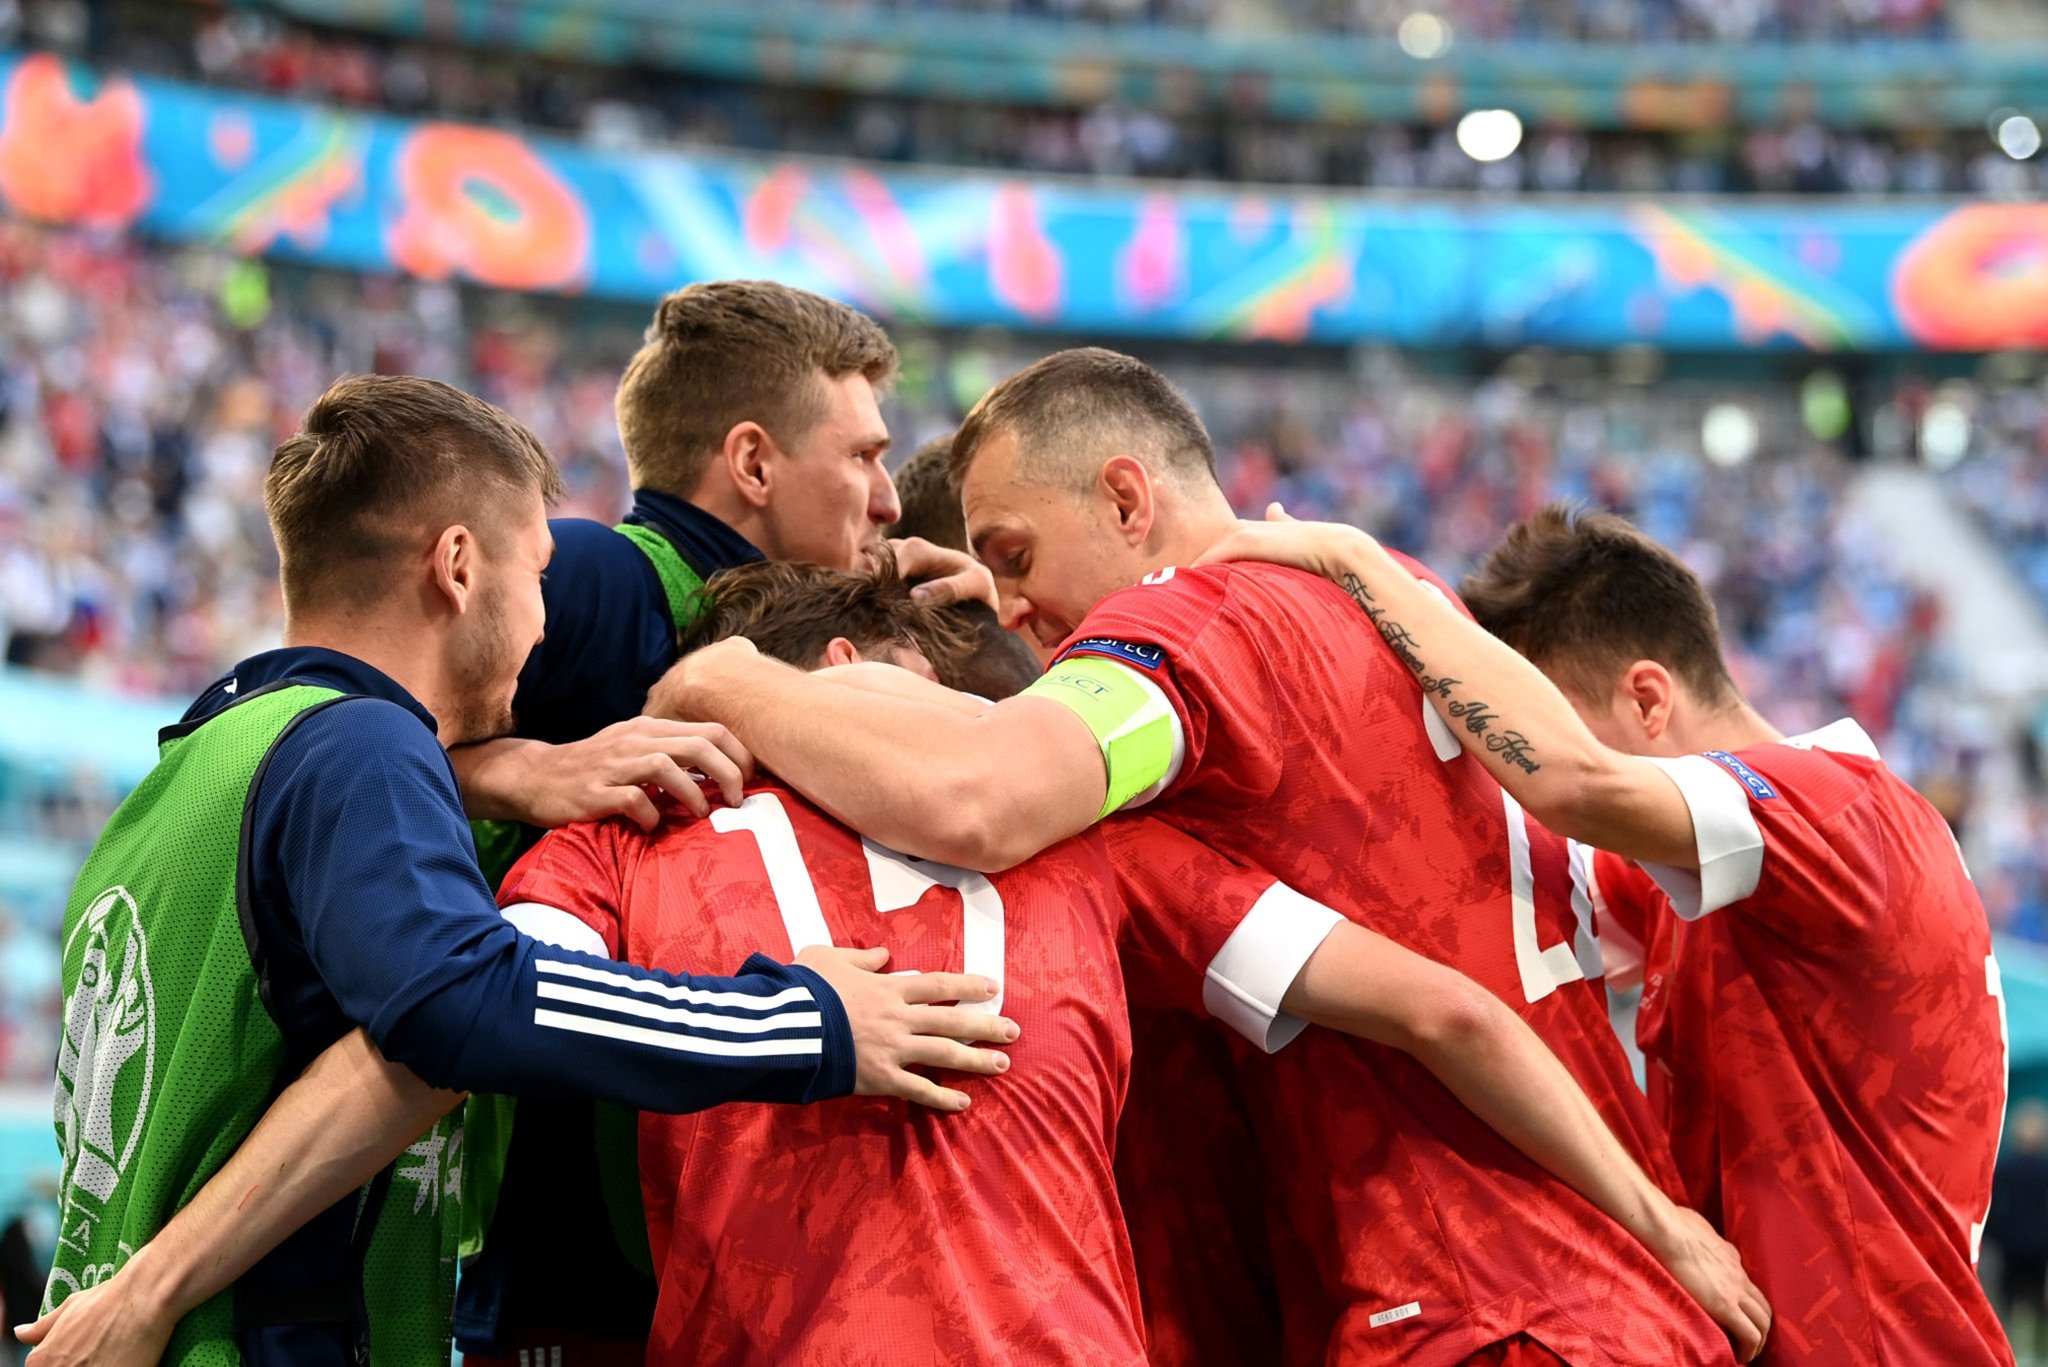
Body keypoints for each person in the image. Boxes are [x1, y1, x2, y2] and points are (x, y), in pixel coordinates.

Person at [658, 348, 1770, 1364]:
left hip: (1477, 1303)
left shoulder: (1182, 634)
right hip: (1617, 1285)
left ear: (1127, 498)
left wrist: (732, 682)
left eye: (1013, 553)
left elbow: (975, 797)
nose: (1008, 601)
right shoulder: (1385, 588)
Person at [19, 376, 1016, 1367]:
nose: (543, 623)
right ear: (457, 565)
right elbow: (461, 1002)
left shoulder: (192, 761)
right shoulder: (361, 743)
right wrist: (807, 1022)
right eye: (535, 572)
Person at [1197, 502, 2014, 1367]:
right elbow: (1508, 895)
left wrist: (1351, 559)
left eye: (1552, 715)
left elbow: (1568, 783)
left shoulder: (1835, 813)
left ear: (1648, 698)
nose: (1505, 779)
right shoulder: (1710, 881)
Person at [440, 280, 994, 1364]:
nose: (886, 501)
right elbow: (329, 723)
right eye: (862, 457)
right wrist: (522, 771)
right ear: (751, 463)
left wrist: (990, 652)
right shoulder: (606, 578)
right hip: (594, 1274)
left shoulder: (824, 623)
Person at [1992, 1102, 2048, 1364]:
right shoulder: (2042, 1169)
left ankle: (2011, 1352)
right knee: (2037, 1302)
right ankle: (2033, 1352)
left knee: (2009, 1302)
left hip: (2011, 1244)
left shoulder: (2005, 1169)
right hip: (2038, 1245)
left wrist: (1996, 1234)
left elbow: (1992, 1207)